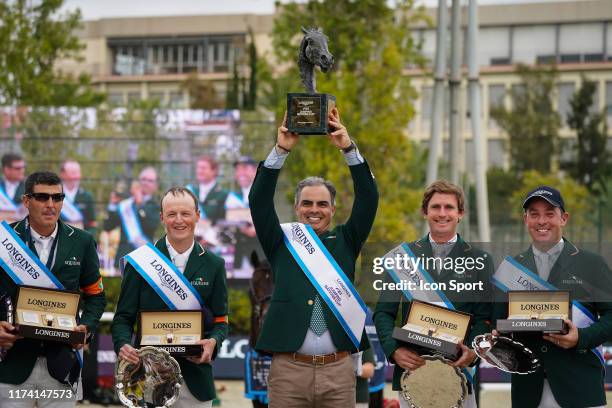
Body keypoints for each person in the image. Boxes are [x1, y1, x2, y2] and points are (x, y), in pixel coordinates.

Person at [250, 108, 378, 407]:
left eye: (322, 204)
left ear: (333, 209)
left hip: (338, 369)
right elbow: (258, 200)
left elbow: (369, 198)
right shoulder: (281, 242)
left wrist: (348, 149)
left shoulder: (347, 240)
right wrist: (281, 149)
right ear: (296, 208)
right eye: (306, 203)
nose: (314, 209)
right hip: (288, 371)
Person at [373, 180, 492, 408]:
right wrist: (394, 349)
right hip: (413, 372)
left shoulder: (481, 260)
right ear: (424, 212)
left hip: (458, 375)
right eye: (435, 207)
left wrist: (473, 352)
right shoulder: (402, 259)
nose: (442, 213)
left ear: (460, 214)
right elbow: (383, 314)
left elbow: (484, 318)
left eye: (449, 207)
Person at [491, 186, 612, 408]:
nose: (541, 220)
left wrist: (581, 337)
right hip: (528, 392)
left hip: (581, 388)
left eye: (549, 213)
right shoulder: (510, 268)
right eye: (534, 214)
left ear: (563, 218)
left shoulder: (592, 264)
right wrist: (495, 340)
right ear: (525, 219)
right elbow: (496, 323)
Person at [112, 186, 228, 408]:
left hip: (196, 382)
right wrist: (123, 344)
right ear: (162, 217)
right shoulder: (141, 262)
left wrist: (213, 342)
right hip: (147, 379)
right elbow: (123, 318)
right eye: (172, 214)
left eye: (185, 213)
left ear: (197, 216)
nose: (179, 220)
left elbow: (221, 321)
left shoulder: (214, 265)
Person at [0, 171, 106, 407]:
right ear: (26, 201)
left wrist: (85, 330)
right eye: (42, 197)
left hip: (61, 366)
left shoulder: (82, 241)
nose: (51, 205)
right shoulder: (3, 240)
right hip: (11, 364)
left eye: (57, 198)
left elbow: (96, 297)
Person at [103, 167, 160, 268]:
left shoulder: (156, 205)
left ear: (156, 186)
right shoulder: (126, 204)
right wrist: (112, 205)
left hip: (146, 259)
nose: (145, 183)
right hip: (124, 257)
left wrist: (140, 204)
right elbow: (107, 226)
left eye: (150, 180)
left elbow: (151, 226)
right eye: (143, 179)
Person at [226, 156, 261, 278]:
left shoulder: (265, 192)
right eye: (238, 169)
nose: (241, 173)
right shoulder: (232, 198)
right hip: (239, 254)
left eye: (245, 168)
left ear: (255, 170)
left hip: (261, 253)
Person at [60, 160, 97, 235]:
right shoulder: (54, 195)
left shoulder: (87, 196)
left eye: (78, 173)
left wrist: (87, 240)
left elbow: (92, 224)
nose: (76, 176)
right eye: (73, 173)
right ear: (63, 174)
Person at [188, 155, 228, 225]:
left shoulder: (224, 195)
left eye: (203, 168)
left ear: (214, 171)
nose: (200, 171)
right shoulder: (189, 192)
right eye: (198, 168)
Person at [0, 153, 26, 222]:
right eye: (18, 168)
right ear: (6, 169)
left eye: (23, 167)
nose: (22, 170)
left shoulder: (29, 187)